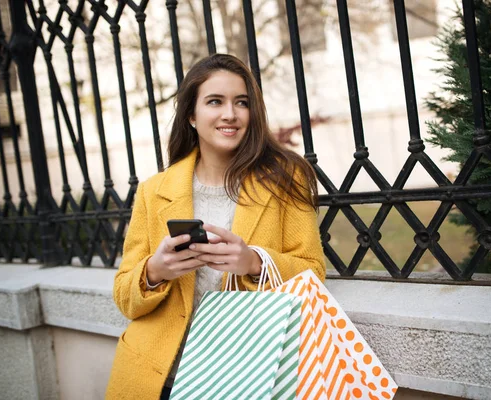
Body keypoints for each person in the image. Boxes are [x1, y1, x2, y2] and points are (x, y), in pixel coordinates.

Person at [105, 53, 326, 400]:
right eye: (215, 102)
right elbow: (125, 297)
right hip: (163, 377)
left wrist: (253, 262)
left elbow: (314, 272)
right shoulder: (153, 191)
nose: (230, 114)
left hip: (248, 376)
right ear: (191, 116)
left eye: (241, 102)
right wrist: (155, 271)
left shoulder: (285, 178)